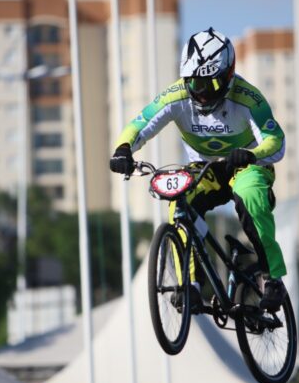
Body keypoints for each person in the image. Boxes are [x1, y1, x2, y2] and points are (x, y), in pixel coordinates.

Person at [109, 28, 287, 311]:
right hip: (205, 169)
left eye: (210, 85)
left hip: (247, 165)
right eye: (194, 84)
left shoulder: (249, 98)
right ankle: (189, 284)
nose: (201, 94)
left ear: (228, 75)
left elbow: (276, 143)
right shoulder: (176, 96)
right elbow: (138, 125)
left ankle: (272, 276)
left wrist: (251, 154)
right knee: (180, 203)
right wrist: (123, 149)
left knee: (249, 194)